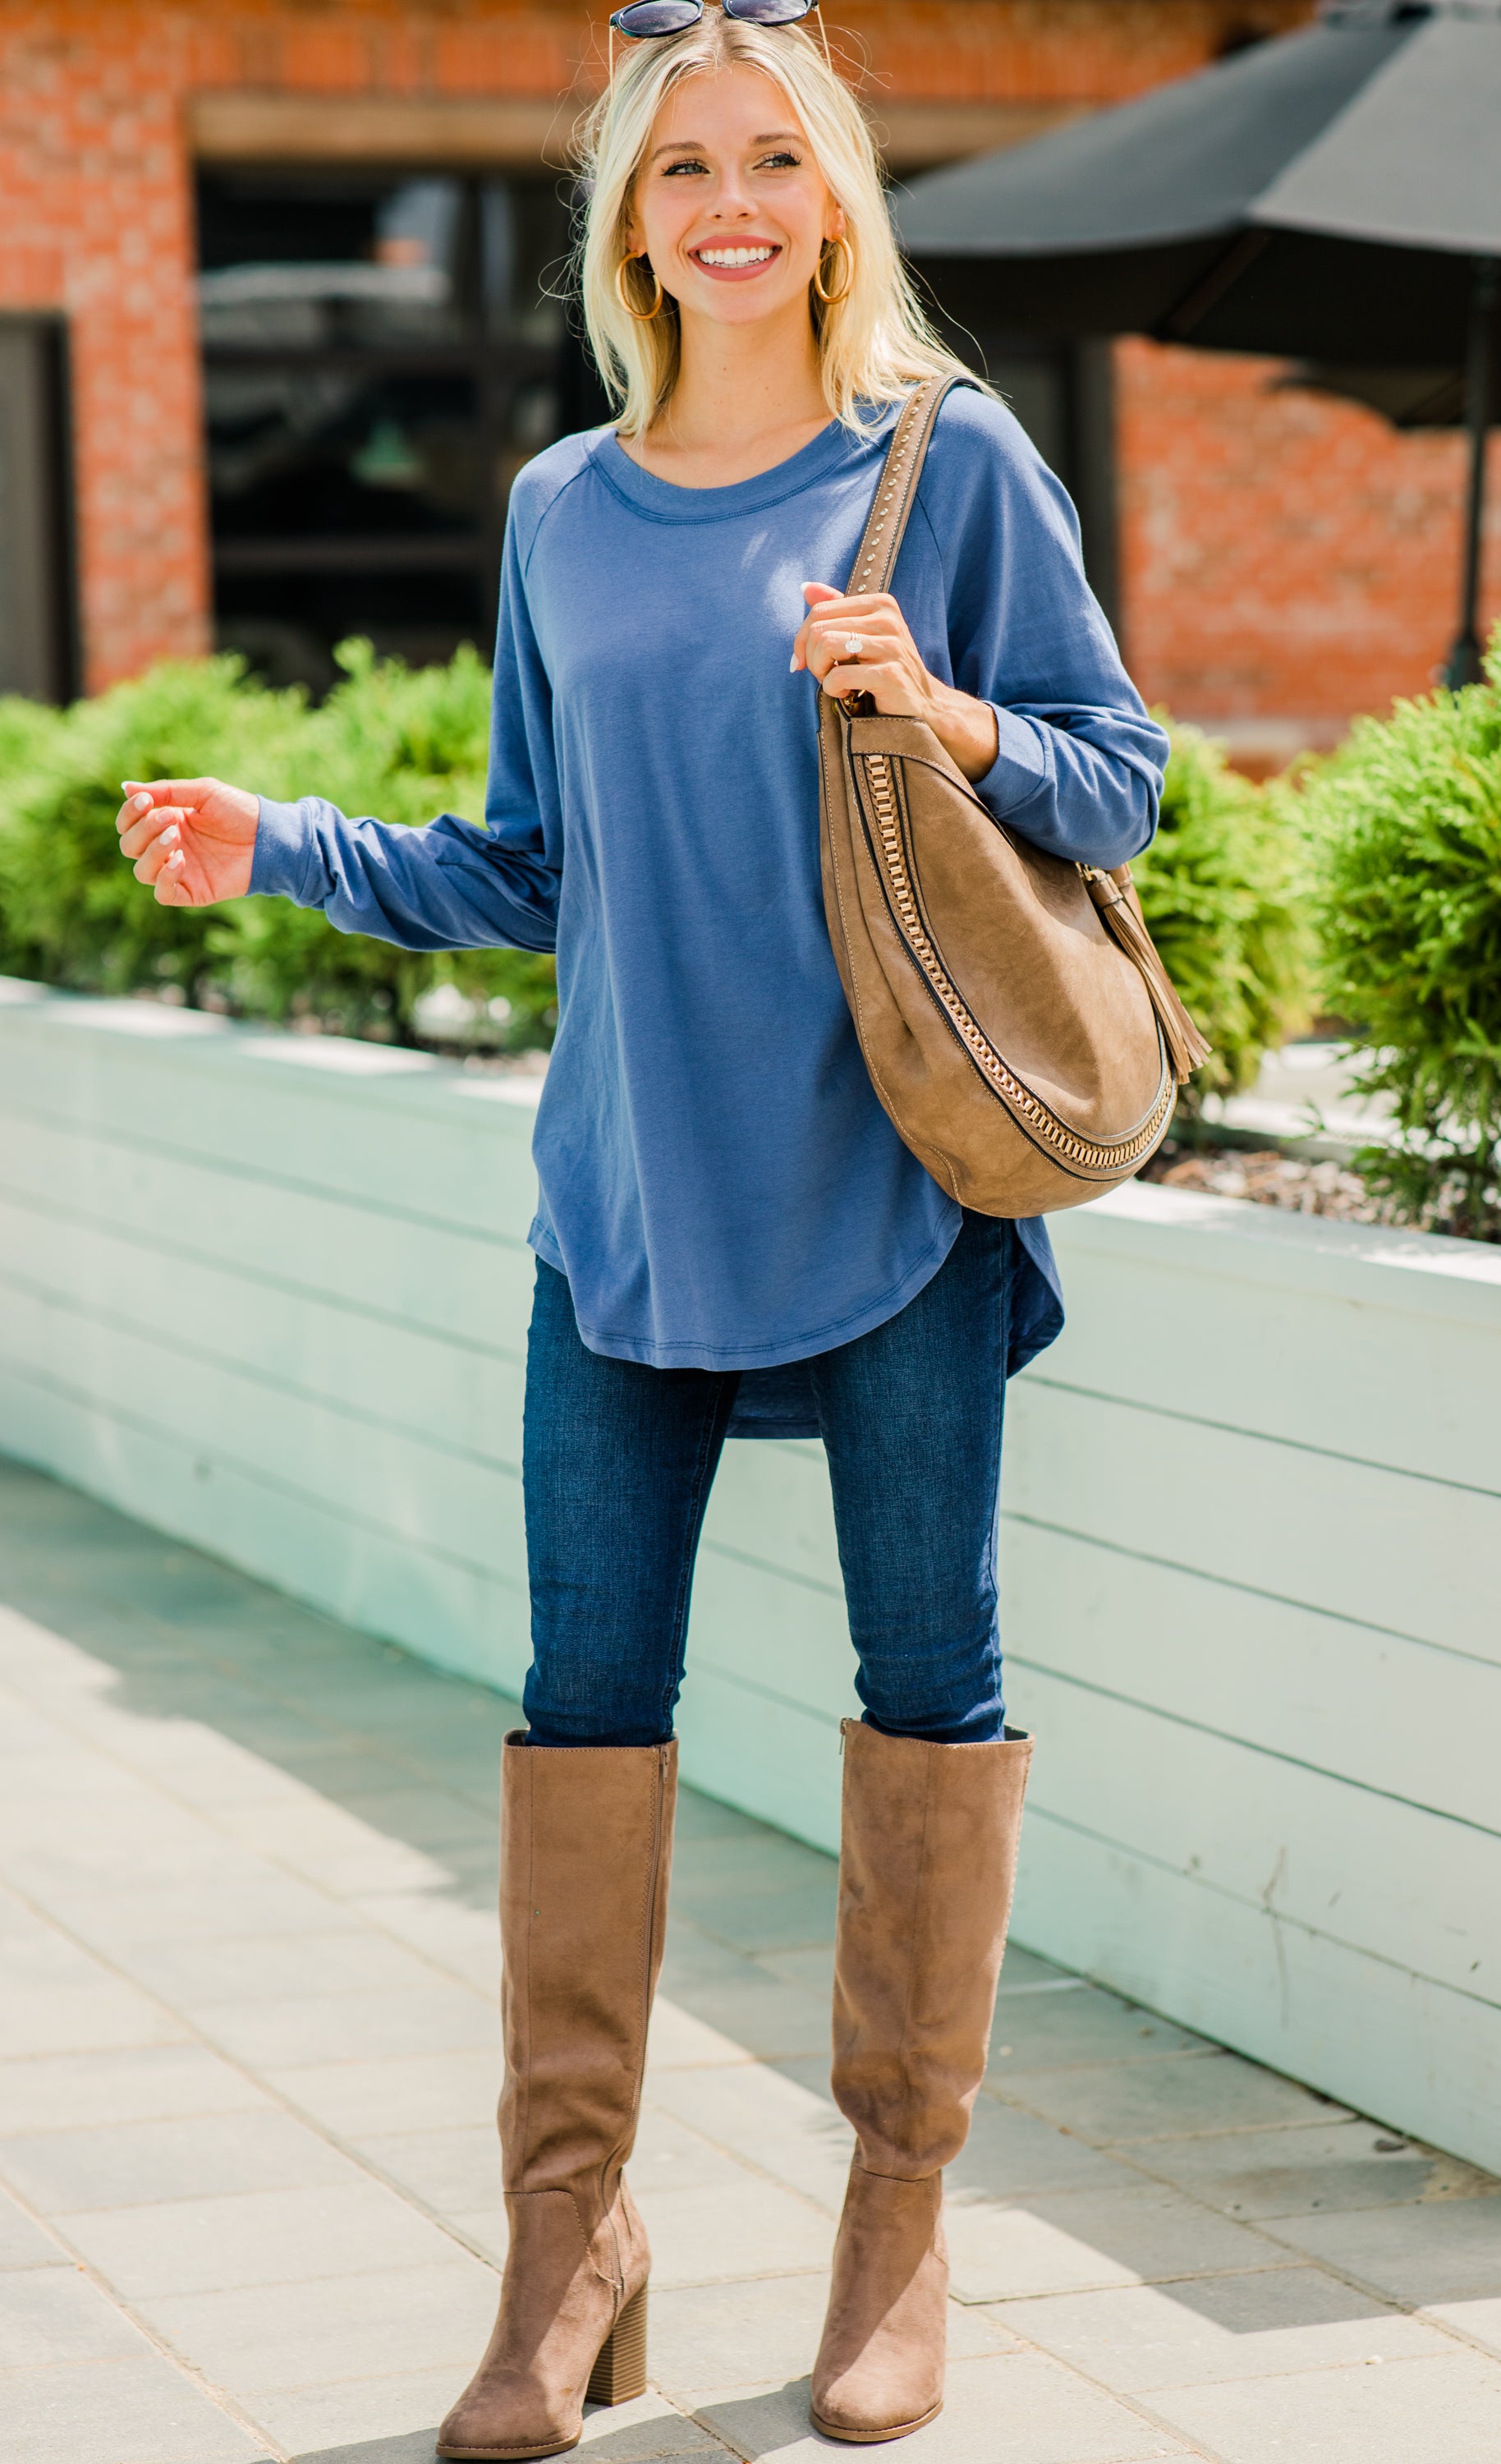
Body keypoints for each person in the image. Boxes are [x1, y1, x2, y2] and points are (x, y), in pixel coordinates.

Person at [114, 6, 1168, 2453]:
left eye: (771, 156)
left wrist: (947, 715)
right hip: (618, 1223)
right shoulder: (561, 509)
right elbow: (524, 857)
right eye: (681, 161)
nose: (729, 200)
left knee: (935, 1693)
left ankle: (897, 2220)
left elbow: (1119, 780)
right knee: (584, 1714)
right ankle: (569, 2246)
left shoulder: (947, 466)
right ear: (627, 213)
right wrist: (282, 840)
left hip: (895, 1199)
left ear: (833, 196)